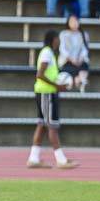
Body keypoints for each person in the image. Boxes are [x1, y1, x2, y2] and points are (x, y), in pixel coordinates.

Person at [27, 30, 79, 169]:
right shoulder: (47, 53)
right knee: (52, 126)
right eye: (58, 39)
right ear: (54, 39)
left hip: (43, 92)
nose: (59, 42)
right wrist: (57, 86)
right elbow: (40, 74)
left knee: (42, 125)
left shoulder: (49, 53)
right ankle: (61, 160)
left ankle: (33, 158)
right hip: (47, 93)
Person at [58, 14, 90, 92]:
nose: (74, 23)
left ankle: (80, 81)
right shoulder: (63, 34)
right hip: (67, 61)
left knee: (84, 66)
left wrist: (80, 59)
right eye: (72, 21)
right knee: (68, 70)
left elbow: (84, 49)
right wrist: (72, 60)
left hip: (80, 61)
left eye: (76, 21)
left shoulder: (84, 34)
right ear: (68, 23)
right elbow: (63, 49)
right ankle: (75, 81)